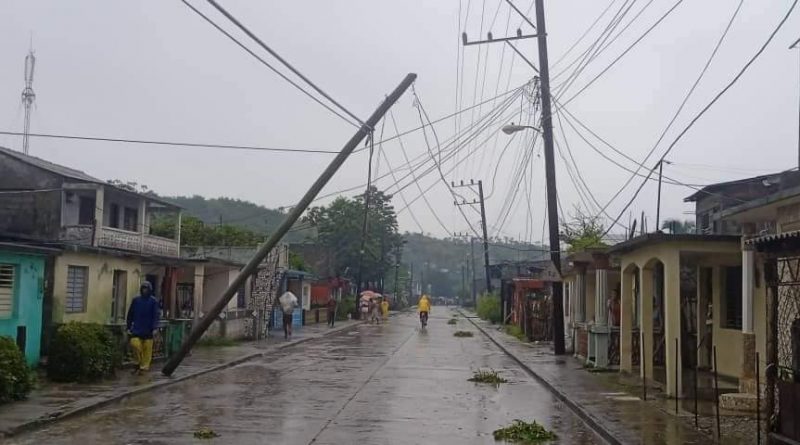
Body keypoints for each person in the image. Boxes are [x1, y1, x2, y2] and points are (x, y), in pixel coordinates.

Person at [126, 281, 160, 374]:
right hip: (136, 329)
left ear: (150, 290)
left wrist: (154, 328)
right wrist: (128, 327)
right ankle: (137, 363)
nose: (144, 290)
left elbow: (156, 316)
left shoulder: (153, 301)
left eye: (146, 288)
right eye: (143, 288)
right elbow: (130, 314)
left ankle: (144, 368)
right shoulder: (136, 300)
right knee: (135, 345)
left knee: (147, 350)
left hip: (148, 330)